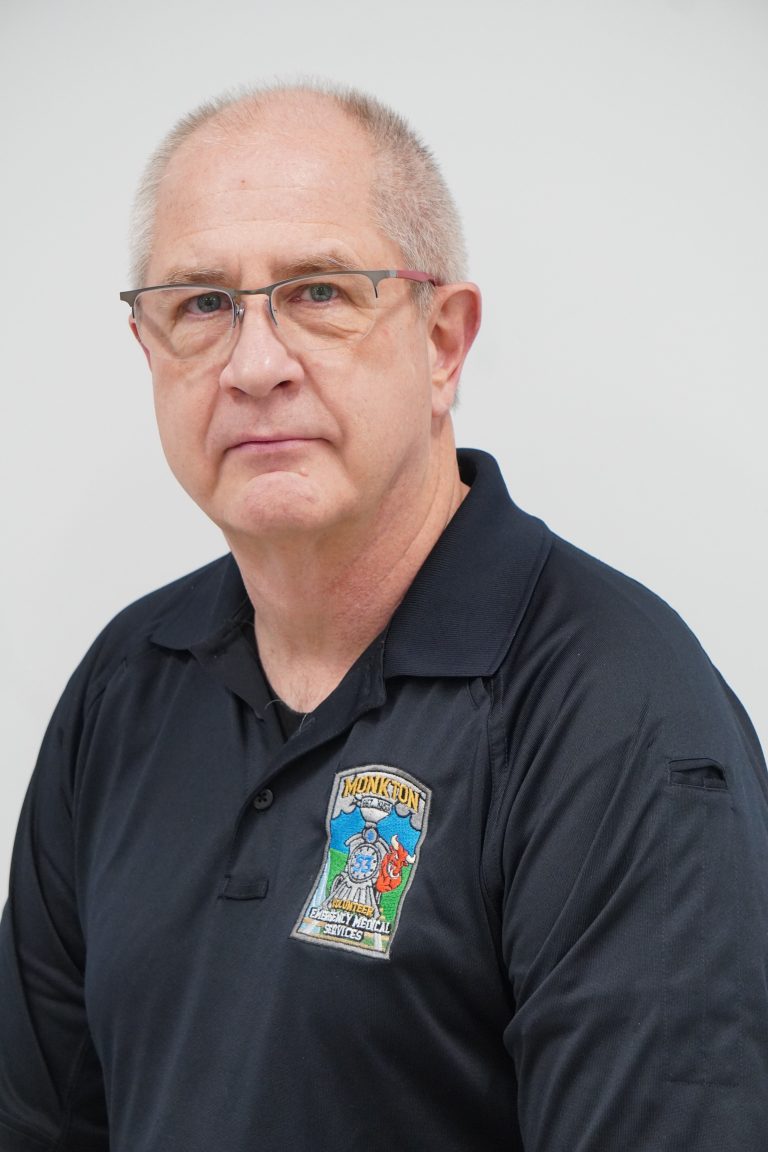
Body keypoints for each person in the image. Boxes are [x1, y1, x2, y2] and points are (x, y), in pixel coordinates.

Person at [1, 81, 766, 1152]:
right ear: (148, 349)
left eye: (318, 291)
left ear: (444, 342)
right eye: (202, 304)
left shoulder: (617, 716)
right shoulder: (124, 686)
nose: (254, 365)